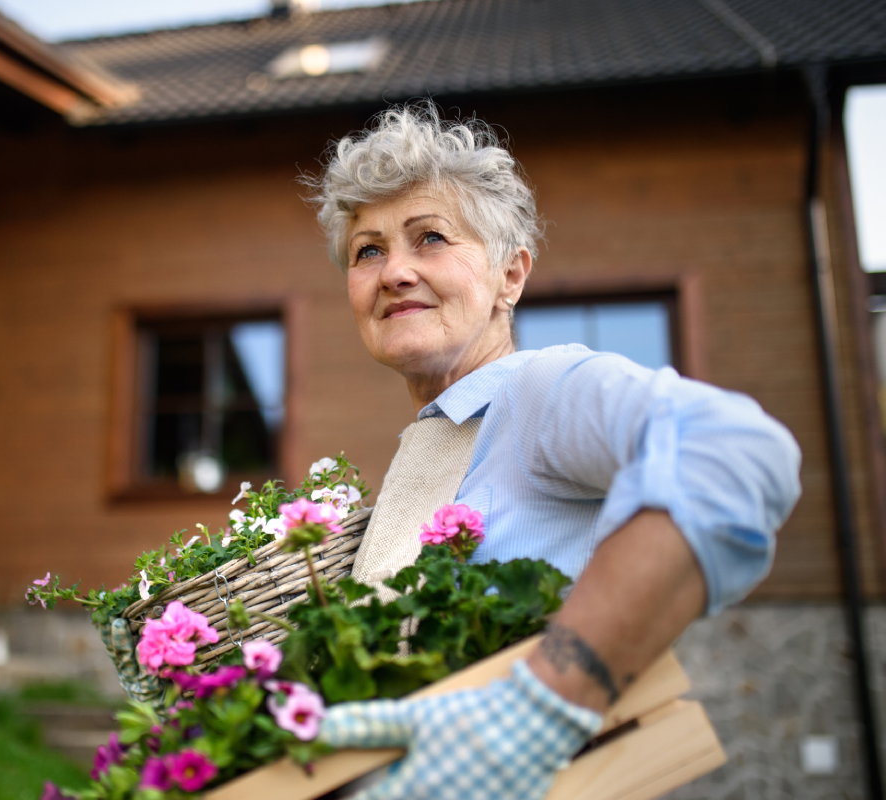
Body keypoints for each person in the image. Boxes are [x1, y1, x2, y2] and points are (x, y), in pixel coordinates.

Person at [306, 104, 802, 800]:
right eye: (368, 250)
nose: (394, 272)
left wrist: (545, 703)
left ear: (511, 276)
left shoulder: (541, 391)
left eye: (431, 238)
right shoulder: (430, 448)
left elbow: (739, 450)